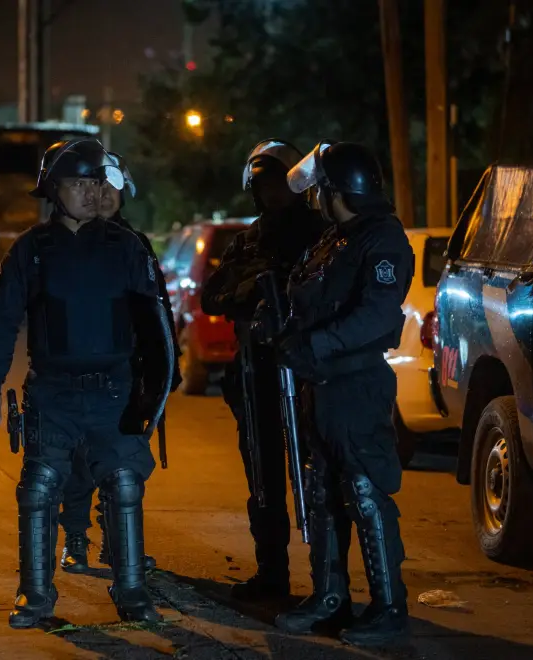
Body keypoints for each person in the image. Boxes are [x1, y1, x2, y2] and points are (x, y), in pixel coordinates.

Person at [0, 138, 171, 628]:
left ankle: (132, 592)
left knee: (124, 484)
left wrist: (156, 389)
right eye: (77, 183)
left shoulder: (126, 247)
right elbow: (4, 319)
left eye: (95, 182)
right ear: (52, 190)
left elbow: (154, 325)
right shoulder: (31, 250)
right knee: (39, 489)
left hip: (114, 391)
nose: (90, 192)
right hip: (53, 393)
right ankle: (34, 596)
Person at [273, 142, 414, 646]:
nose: (317, 199)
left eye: (323, 191)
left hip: (356, 384)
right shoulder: (334, 239)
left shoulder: (382, 239)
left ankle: (389, 608)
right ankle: (329, 597)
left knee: (364, 491)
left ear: (340, 192)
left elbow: (377, 314)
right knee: (323, 493)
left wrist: (315, 344)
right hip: (320, 384)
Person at [201, 139, 328, 602]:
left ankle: (328, 584)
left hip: (308, 374)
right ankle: (272, 575)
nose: (271, 194)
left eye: (278, 183)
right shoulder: (247, 241)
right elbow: (211, 297)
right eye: (263, 186)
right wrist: (250, 291)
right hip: (256, 376)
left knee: (317, 480)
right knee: (263, 481)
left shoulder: (321, 234)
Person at [57, 151, 180, 574]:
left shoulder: (134, 244)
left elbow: (158, 310)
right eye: (98, 185)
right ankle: (75, 538)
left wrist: (167, 367)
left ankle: (119, 543)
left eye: (113, 187)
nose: (105, 195)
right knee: (77, 463)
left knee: (125, 464)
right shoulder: (67, 242)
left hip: (128, 374)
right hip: (78, 374)